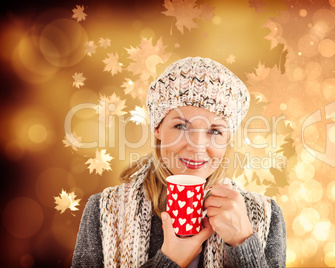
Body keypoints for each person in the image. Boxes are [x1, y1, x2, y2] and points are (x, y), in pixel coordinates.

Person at [72, 57, 286, 267]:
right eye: (181, 127)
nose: (197, 146)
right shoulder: (104, 211)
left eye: (215, 131)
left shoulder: (265, 215)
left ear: (227, 138)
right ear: (157, 127)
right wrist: (168, 263)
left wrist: (243, 243)